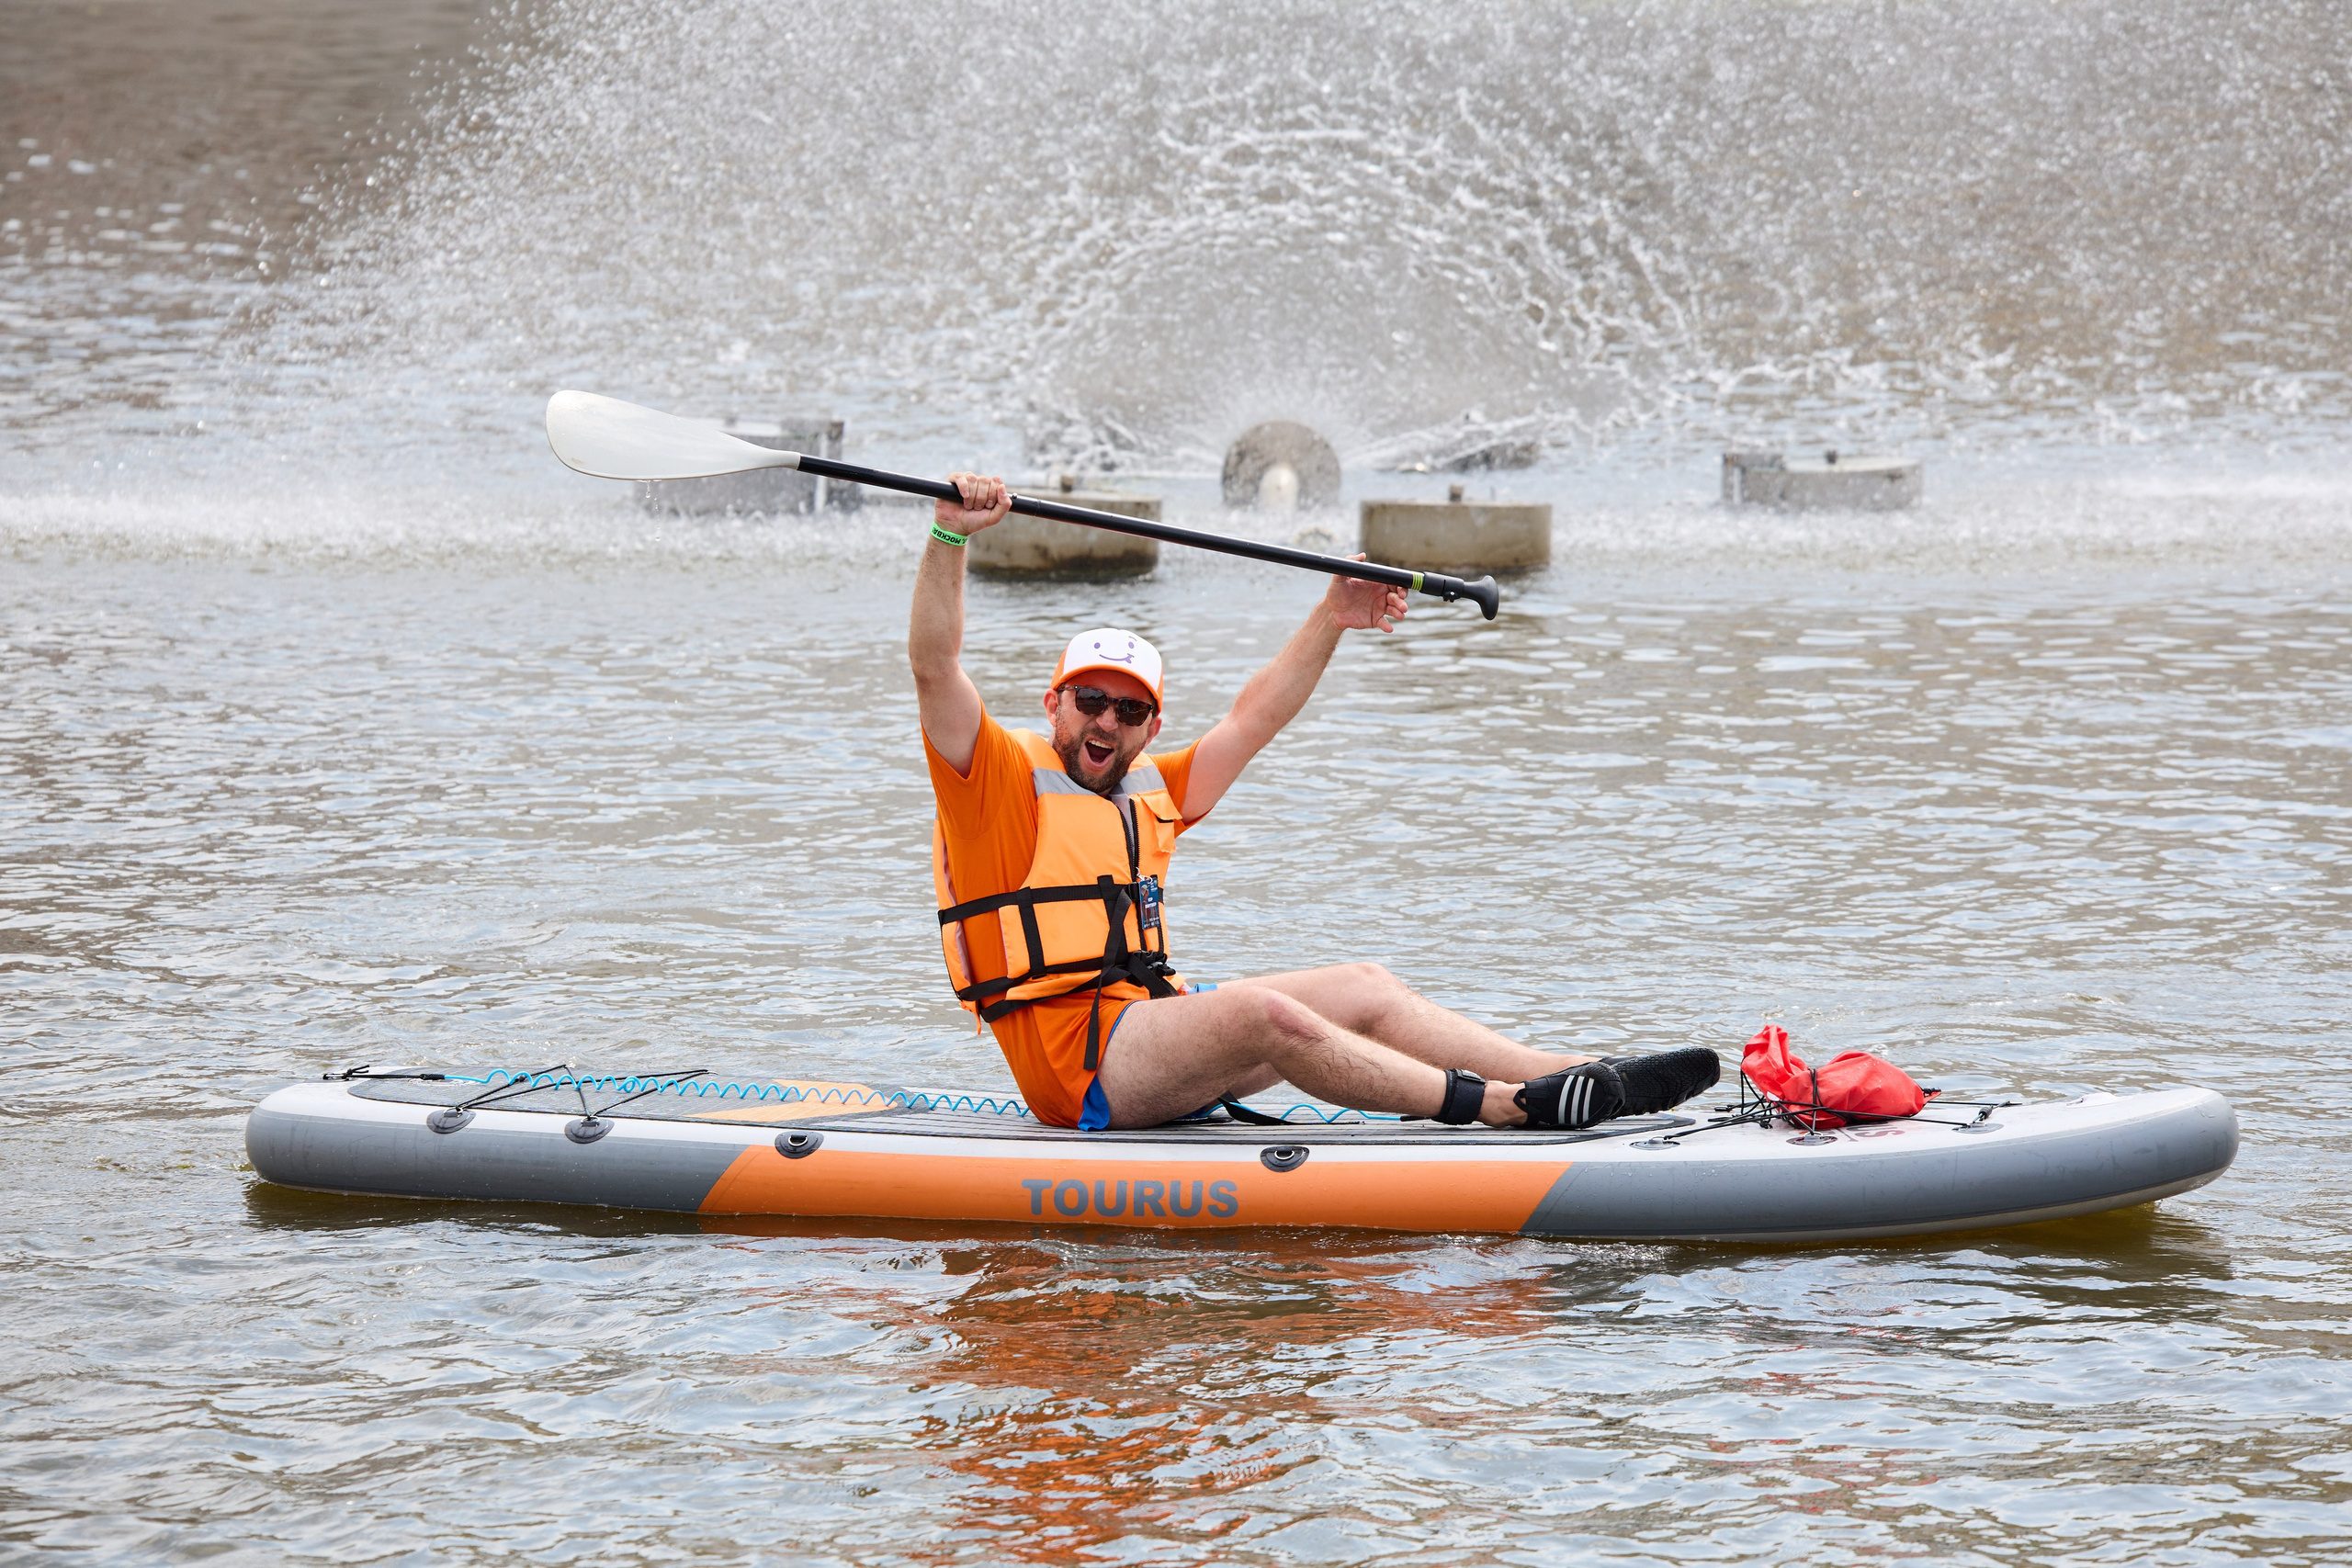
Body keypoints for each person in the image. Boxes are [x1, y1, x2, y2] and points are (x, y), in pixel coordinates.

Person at [911, 473, 1719, 1131]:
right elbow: (935, 666)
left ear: (1152, 725)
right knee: (1267, 1012)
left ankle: (1578, 1074)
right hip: (1078, 1070)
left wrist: (1333, 616)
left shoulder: (1152, 788)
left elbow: (1252, 716)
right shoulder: (995, 781)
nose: (1106, 721)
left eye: (1129, 711)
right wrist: (950, 535)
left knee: (1367, 985)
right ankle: (1503, 1108)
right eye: (1090, 699)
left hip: (1153, 1034)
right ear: (1054, 702)